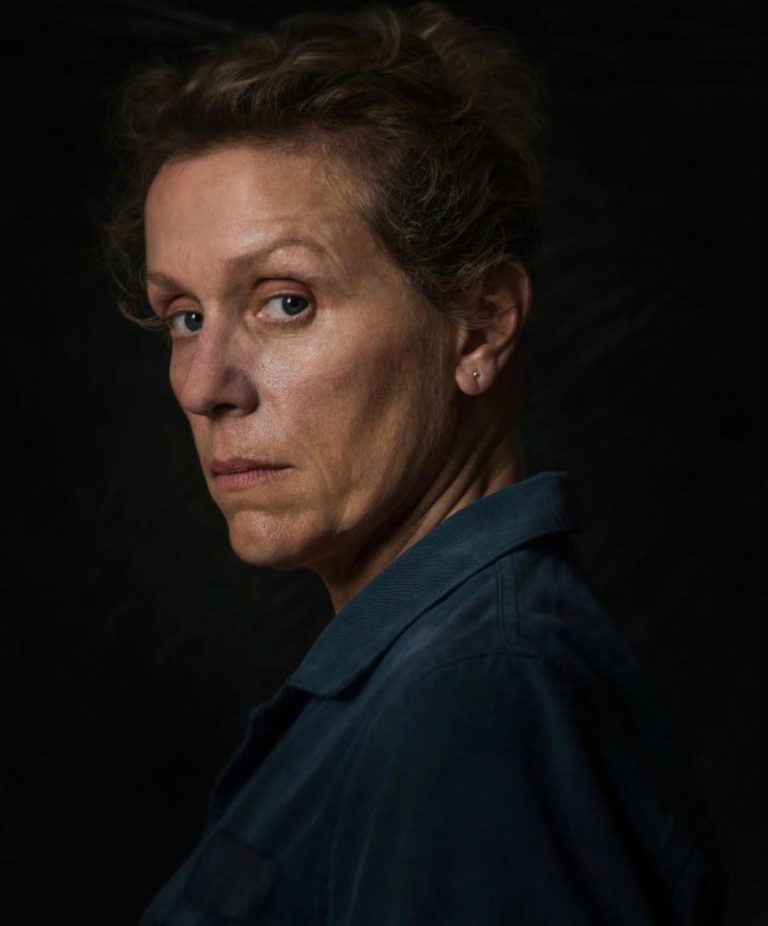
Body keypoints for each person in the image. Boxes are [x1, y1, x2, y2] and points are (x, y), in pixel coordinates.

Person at [105, 3, 728, 923]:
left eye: (286, 302)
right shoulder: (435, 673)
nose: (205, 387)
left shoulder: (476, 699)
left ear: (479, 325)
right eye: (186, 317)